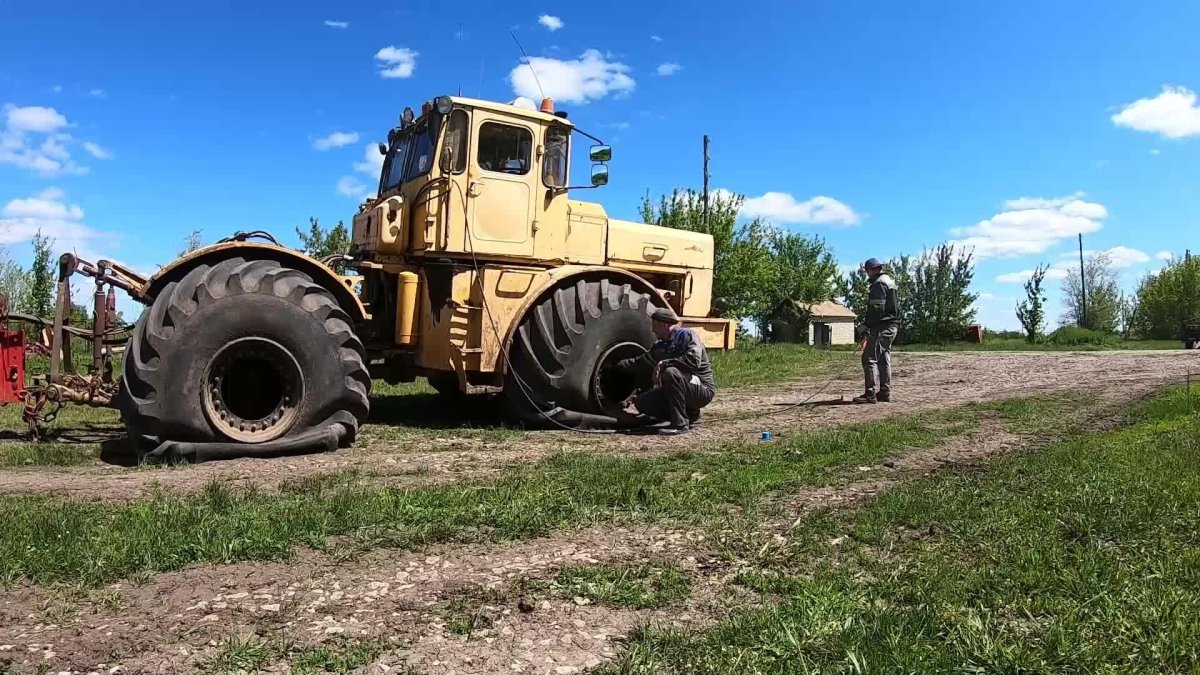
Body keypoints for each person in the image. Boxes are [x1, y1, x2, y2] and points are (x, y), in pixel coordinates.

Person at [615, 308, 716, 434]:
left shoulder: (686, 335)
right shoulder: (660, 346)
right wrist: (615, 365)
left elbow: (694, 361)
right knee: (642, 403)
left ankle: (680, 425)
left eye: (654, 325)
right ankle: (691, 414)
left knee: (671, 372)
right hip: (682, 387)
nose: (652, 330)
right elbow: (640, 363)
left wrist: (665, 363)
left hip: (701, 389)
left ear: (665, 324)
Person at [855, 258, 901, 404]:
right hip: (892, 326)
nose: (868, 274)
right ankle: (884, 393)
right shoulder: (888, 281)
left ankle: (870, 395)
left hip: (882, 327)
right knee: (883, 359)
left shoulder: (879, 284)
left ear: (871, 270)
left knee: (868, 359)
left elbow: (877, 309)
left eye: (868, 271)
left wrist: (866, 325)